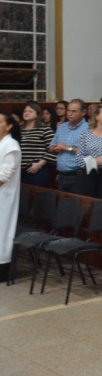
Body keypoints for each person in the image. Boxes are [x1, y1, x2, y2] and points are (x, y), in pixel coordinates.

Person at [0, 113, 22, 283]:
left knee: (2, 232)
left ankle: (3, 271)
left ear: (8, 126)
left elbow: (4, 175)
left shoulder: (11, 145)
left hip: (4, 196)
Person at [49, 99, 87, 194]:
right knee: (62, 205)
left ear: (83, 113)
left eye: (74, 111)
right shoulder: (62, 127)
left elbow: (88, 152)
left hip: (79, 175)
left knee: (77, 205)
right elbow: (51, 147)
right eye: (68, 111)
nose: (70, 114)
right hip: (62, 175)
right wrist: (55, 148)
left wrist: (68, 149)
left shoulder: (89, 128)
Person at [19, 101, 55, 188]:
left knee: (37, 197)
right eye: (25, 111)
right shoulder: (19, 129)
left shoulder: (45, 129)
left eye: (30, 111)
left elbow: (53, 150)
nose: (27, 113)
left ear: (37, 114)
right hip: (20, 170)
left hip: (38, 169)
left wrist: (39, 164)